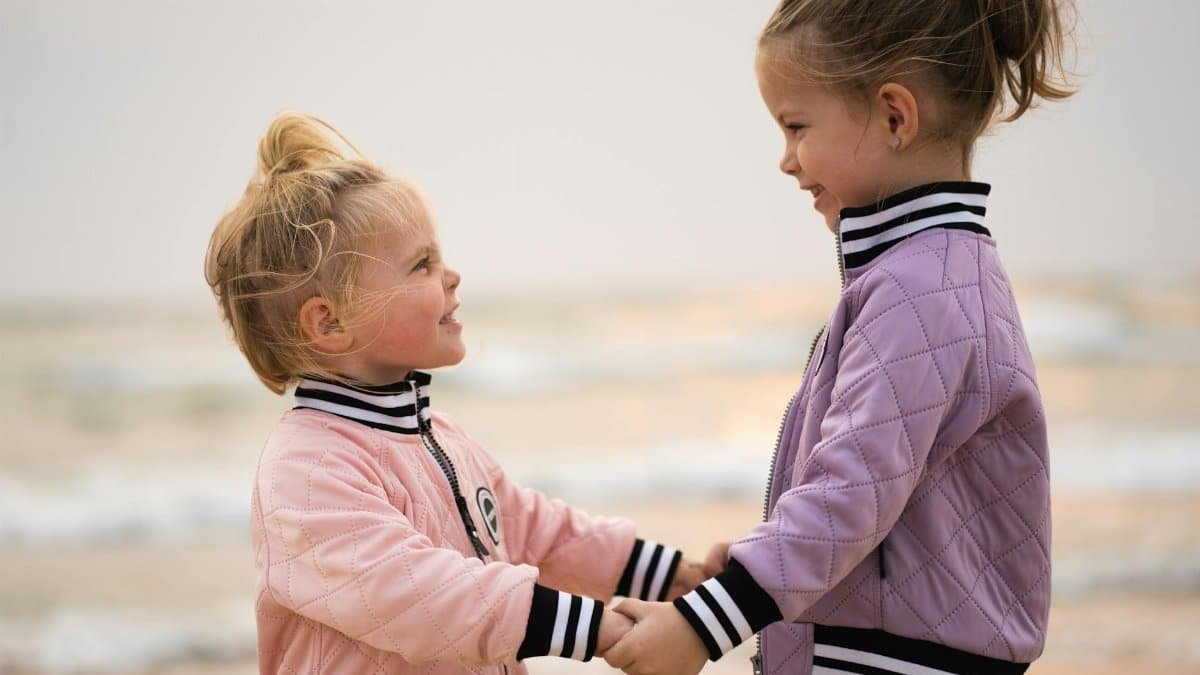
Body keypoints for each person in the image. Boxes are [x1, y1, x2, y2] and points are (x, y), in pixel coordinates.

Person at [604, 1, 1074, 673]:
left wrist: (702, 625)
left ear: (894, 117)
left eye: (796, 127)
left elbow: (849, 492)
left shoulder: (918, 289)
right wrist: (741, 578)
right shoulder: (938, 269)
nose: (787, 162)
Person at [204, 112, 702, 674]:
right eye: (421, 265)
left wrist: (677, 575)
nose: (451, 277)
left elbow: (537, 531)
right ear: (329, 323)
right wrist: (600, 631)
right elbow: (423, 594)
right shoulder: (308, 472)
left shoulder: (440, 439)